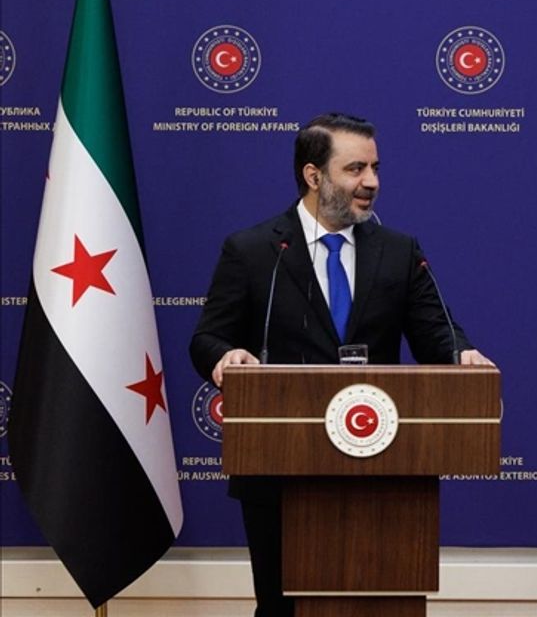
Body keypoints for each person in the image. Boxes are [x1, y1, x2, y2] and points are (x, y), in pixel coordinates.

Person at [190, 112, 494, 617]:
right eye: (355, 169)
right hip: (280, 471)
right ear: (314, 176)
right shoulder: (254, 250)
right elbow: (207, 337)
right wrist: (226, 356)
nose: (371, 182)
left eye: (375, 168)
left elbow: (437, 333)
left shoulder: (399, 251)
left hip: (383, 473)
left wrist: (460, 354)